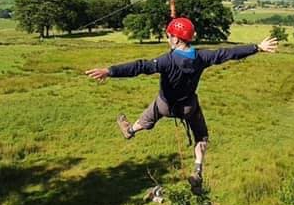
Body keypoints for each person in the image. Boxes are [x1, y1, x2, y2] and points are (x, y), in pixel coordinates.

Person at [85, 16, 278, 191]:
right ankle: (197, 170)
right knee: (202, 137)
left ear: (176, 39)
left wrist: (110, 71)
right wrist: (257, 47)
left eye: (169, 36)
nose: (168, 39)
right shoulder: (203, 57)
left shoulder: (166, 60)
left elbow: (140, 66)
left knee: (153, 110)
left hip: (165, 106)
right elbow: (228, 53)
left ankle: (132, 130)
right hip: (188, 107)